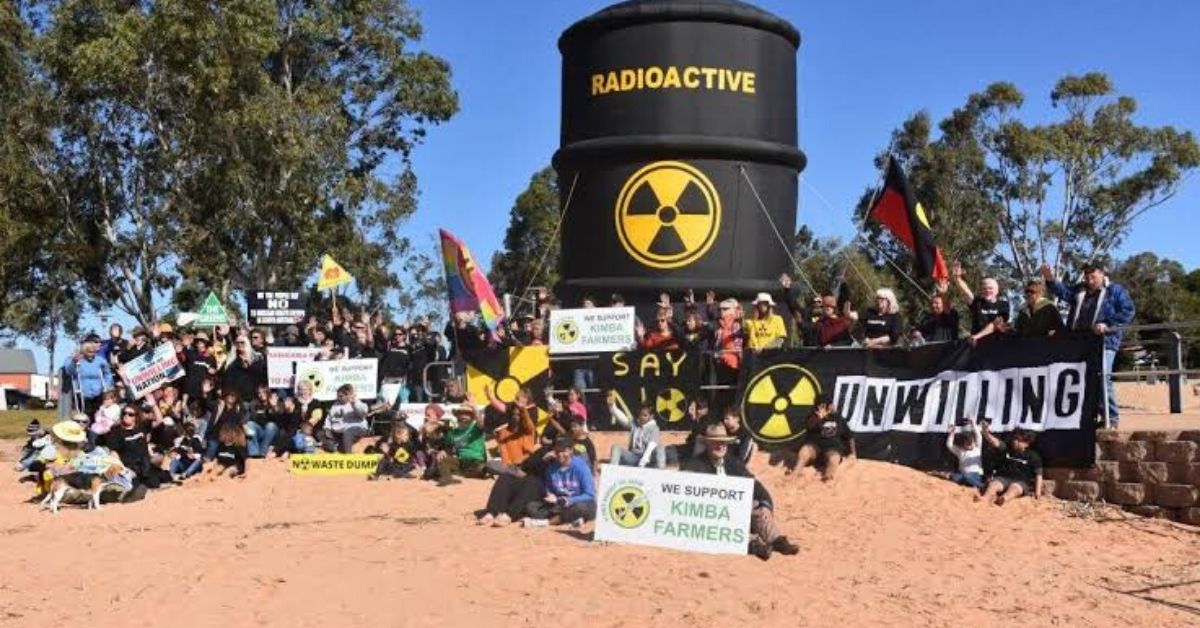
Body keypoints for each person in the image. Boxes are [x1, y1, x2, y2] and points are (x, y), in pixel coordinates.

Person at [682, 424, 799, 560]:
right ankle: (753, 545)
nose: (721, 446)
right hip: (714, 515)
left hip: (738, 509)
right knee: (726, 517)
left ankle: (776, 540)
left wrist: (766, 505)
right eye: (716, 443)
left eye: (724, 443)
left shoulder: (732, 463)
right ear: (707, 444)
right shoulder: (695, 466)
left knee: (758, 507)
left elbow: (756, 486)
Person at [1042, 263, 1135, 428]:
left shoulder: (1115, 291)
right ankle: (1093, 417)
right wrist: (1050, 279)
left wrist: (1107, 324)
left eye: (1093, 276)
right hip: (1080, 341)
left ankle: (1111, 418)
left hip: (1105, 341)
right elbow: (1064, 292)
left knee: (1102, 376)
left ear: (1102, 274)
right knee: (1085, 380)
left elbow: (1128, 311)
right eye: (1087, 277)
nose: (1090, 280)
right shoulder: (1080, 290)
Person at [522, 437, 597, 528]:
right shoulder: (551, 469)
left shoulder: (581, 467)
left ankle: (546, 522)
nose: (560, 454)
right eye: (557, 451)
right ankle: (571, 519)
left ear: (571, 451)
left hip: (578, 502)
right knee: (531, 507)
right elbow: (549, 488)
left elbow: (589, 494)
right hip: (559, 504)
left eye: (564, 451)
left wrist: (569, 500)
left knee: (581, 508)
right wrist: (550, 495)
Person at [789, 395, 856, 482]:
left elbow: (850, 436)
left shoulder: (838, 418)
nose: (833, 406)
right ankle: (796, 472)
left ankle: (828, 477)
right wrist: (820, 418)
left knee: (834, 459)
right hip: (815, 447)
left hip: (831, 448)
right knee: (804, 452)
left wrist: (853, 453)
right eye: (830, 404)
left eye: (831, 404)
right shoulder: (813, 417)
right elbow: (810, 426)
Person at [976, 424, 1042, 506]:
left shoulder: (1033, 456)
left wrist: (1037, 492)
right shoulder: (1006, 448)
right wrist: (986, 433)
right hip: (1003, 478)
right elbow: (995, 442)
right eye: (1014, 439)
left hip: (1021, 481)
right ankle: (985, 498)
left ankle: (1003, 499)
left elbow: (1038, 474)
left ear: (1027, 443)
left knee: (1014, 488)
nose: (1015, 442)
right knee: (994, 485)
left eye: (1019, 440)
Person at [952, 262, 1011, 344]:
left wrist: (977, 336)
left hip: (997, 345)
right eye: (984, 288)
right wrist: (957, 279)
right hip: (976, 346)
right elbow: (966, 292)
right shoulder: (977, 302)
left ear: (997, 291)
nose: (987, 291)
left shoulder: (1003, 304)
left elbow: (996, 324)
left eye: (990, 288)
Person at [63, 336, 114, 417]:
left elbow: (107, 374)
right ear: (83, 350)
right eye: (89, 352)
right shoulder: (75, 359)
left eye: (93, 352)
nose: (91, 355)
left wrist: (107, 387)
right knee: (84, 417)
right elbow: (69, 371)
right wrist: (74, 361)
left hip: (98, 395)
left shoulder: (100, 360)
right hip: (82, 395)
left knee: (98, 416)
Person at [609, 404, 665, 469]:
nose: (641, 417)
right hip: (633, 457)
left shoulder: (654, 428)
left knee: (660, 447)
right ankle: (613, 471)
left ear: (651, 416)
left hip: (647, 460)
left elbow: (652, 445)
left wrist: (644, 460)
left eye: (645, 415)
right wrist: (612, 406)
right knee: (616, 447)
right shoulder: (635, 423)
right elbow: (623, 419)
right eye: (640, 414)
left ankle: (661, 472)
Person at [322, 384, 370, 453]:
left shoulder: (356, 403)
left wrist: (354, 404)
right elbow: (329, 418)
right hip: (338, 431)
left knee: (347, 433)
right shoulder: (335, 405)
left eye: (341, 396)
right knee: (322, 435)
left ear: (347, 395)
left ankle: (348, 457)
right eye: (338, 396)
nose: (339, 398)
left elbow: (363, 413)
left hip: (355, 428)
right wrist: (327, 428)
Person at [946, 421, 985, 490]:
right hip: (962, 474)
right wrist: (952, 434)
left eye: (971, 443)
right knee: (953, 477)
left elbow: (978, 435)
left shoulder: (977, 448)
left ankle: (981, 486)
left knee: (967, 476)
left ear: (973, 442)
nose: (970, 445)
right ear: (963, 444)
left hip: (975, 475)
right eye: (967, 444)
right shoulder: (960, 451)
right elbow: (949, 445)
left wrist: (973, 423)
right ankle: (968, 484)